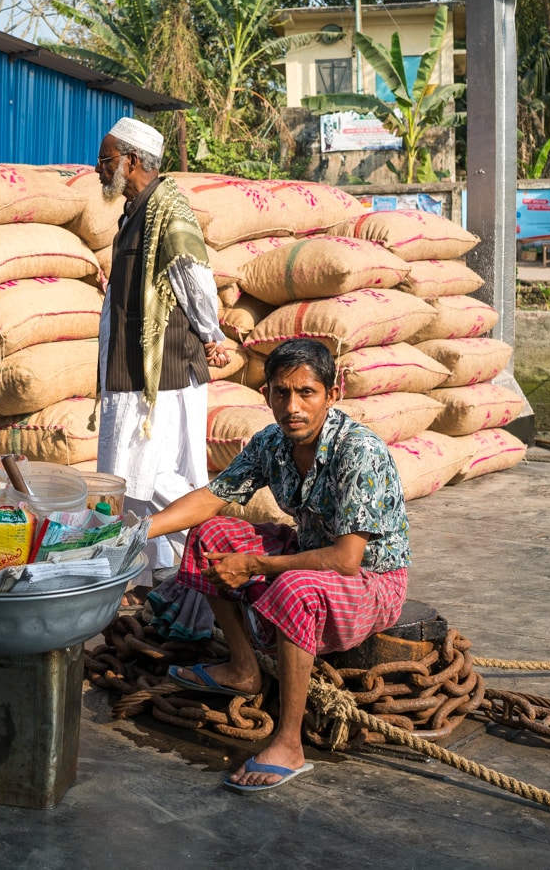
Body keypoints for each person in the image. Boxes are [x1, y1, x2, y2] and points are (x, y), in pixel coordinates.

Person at [147, 338, 411, 793]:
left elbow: (346, 559)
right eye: (280, 393)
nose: (293, 407)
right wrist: (134, 533)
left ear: (332, 393)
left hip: (371, 580)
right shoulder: (272, 442)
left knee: (294, 586)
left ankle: (288, 743)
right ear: (266, 394)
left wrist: (255, 565)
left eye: (306, 393)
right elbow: (213, 498)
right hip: (310, 553)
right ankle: (243, 668)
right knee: (209, 536)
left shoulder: (358, 452)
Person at [93, 118, 231, 596]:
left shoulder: (168, 210)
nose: (98, 168)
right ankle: (158, 571)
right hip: (130, 369)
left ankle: (217, 543)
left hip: (163, 371)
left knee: (145, 473)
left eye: (106, 159)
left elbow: (194, 276)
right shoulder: (134, 212)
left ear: (131, 160)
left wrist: (212, 332)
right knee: (129, 476)